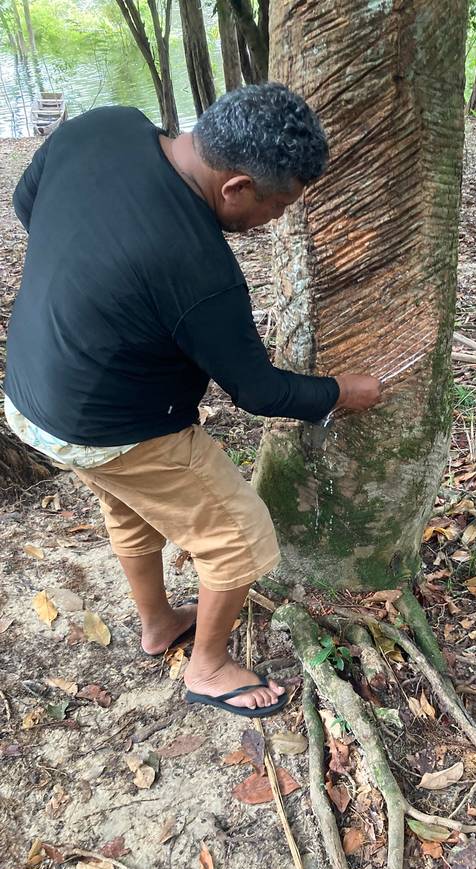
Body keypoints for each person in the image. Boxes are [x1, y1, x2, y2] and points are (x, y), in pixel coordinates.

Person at [3, 83, 381, 718]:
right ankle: (207, 668)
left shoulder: (103, 126)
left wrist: (97, 280)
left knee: (134, 506)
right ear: (234, 187)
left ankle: (158, 624)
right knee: (241, 537)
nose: (279, 219)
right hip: (111, 424)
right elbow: (258, 391)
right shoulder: (199, 269)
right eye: (278, 204)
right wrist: (342, 391)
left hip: (30, 395)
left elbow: (25, 202)